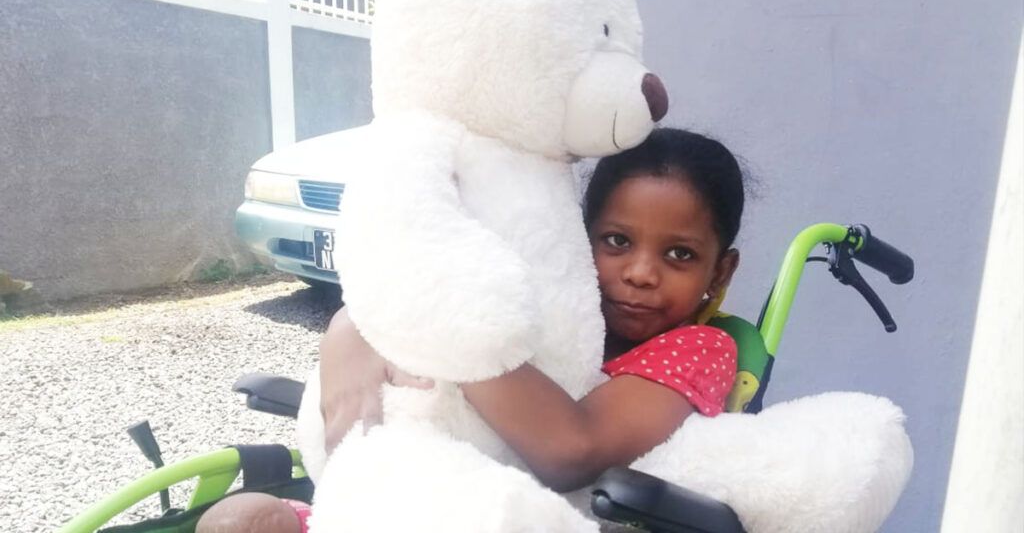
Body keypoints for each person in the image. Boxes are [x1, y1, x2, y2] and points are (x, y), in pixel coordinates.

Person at [203, 127, 745, 529]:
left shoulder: (700, 348)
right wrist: (350, 329)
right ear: (580, 239)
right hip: (410, 490)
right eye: (617, 241)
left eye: (679, 254)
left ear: (720, 271)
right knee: (237, 519)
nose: (641, 273)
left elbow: (572, 451)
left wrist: (438, 325)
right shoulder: (553, 307)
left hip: (526, 515)